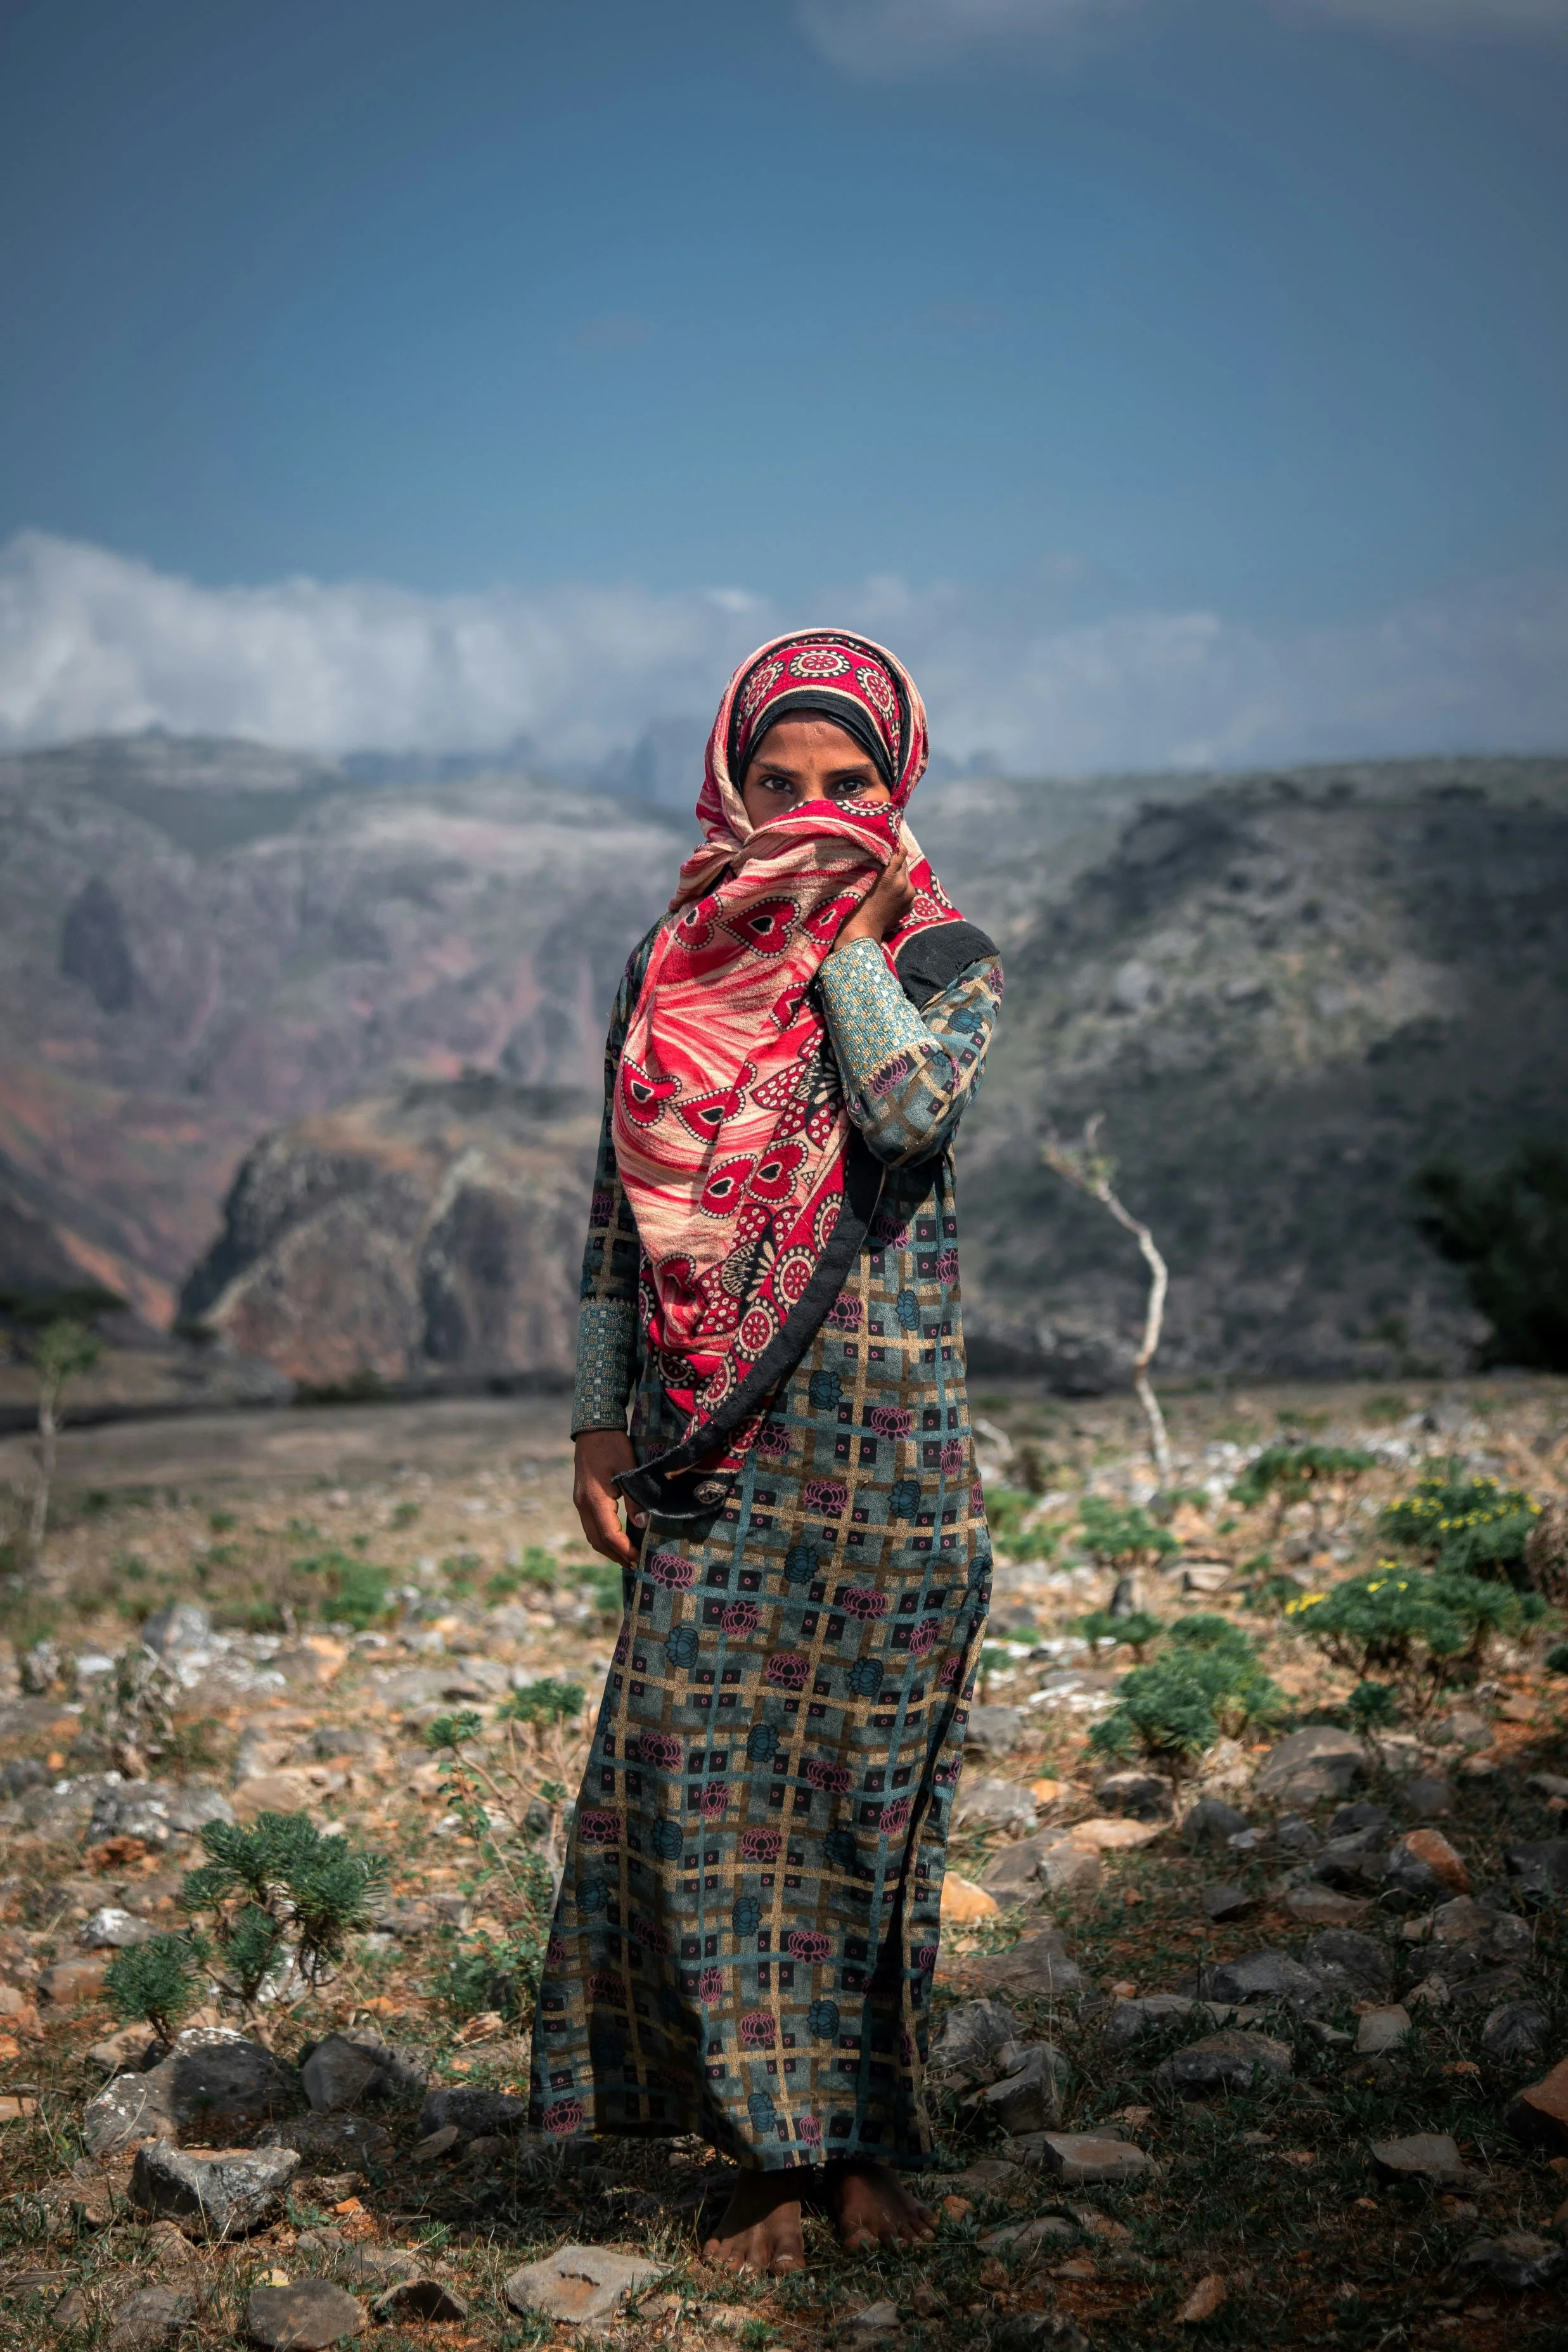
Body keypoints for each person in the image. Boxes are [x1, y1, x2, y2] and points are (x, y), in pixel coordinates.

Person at [529, 630, 1003, 2274]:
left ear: (899, 785)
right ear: (733, 785)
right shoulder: (665, 964)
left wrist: (855, 942)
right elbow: (617, 1213)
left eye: (848, 782)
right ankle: (757, 2153)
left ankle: (864, 2136)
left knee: (872, 1792)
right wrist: (599, 1416)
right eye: (781, 783)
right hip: (713, 1443)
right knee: (712, 1795)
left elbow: (906, 1111)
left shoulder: (947, 953)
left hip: (892, 1449)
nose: (813, 810)